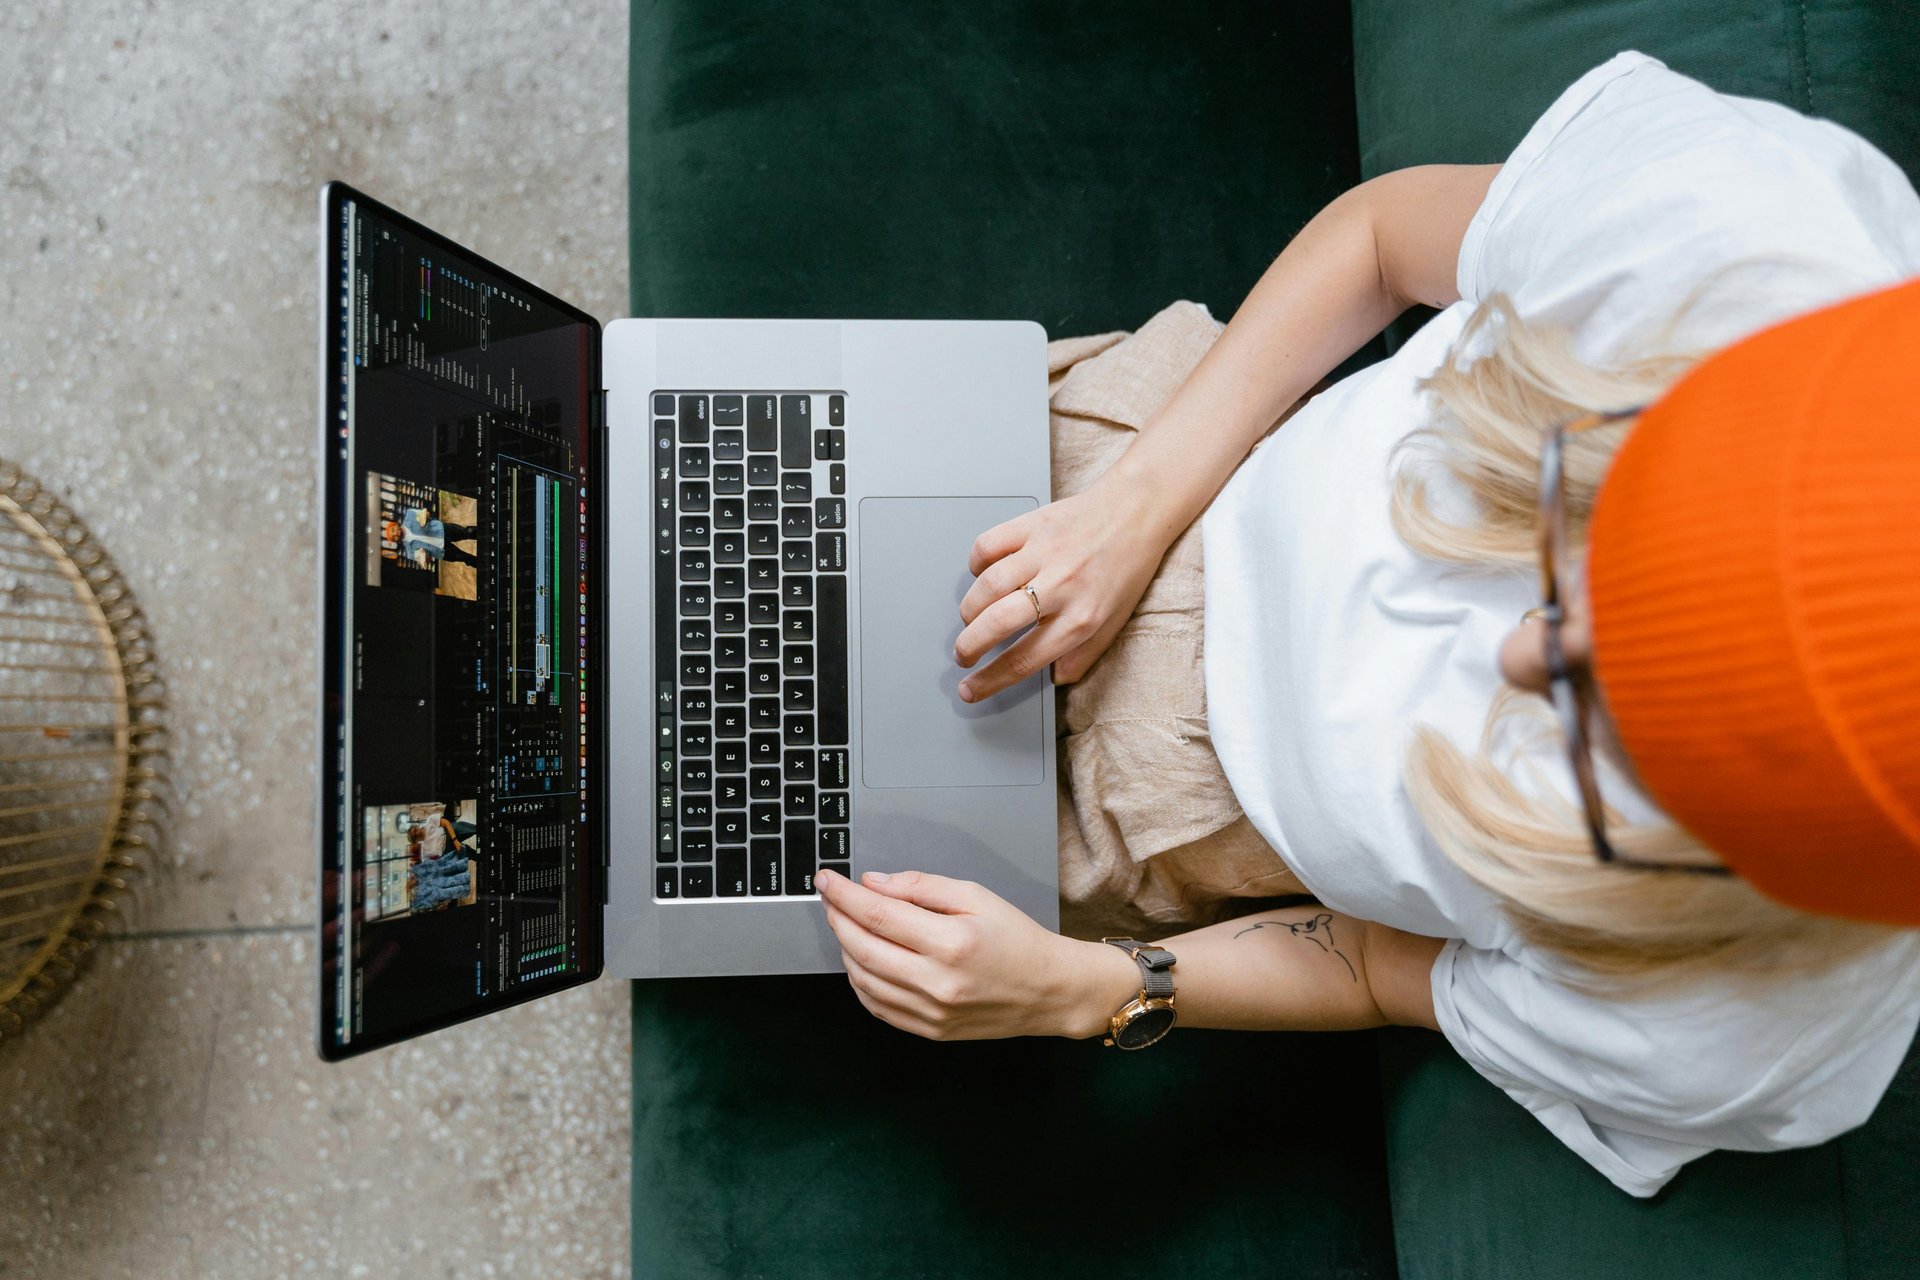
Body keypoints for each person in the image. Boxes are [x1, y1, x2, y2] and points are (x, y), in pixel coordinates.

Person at [813, 51, 1920, 1197]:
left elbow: (1384, 967)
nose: (1516, 652)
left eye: (1611, 740)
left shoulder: (1754, 1038)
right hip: (1156, 464)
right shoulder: (1752, 236)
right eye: (1585, 546)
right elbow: (1384, 238)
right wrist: (1131, 511)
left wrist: (1084, 988)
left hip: (1159, 811)